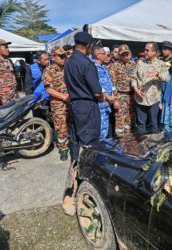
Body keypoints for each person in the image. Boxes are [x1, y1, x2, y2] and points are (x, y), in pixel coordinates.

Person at [63, 32, 103, 216]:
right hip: (87, 107)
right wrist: (103, 96)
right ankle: (79, 190)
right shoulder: (86, 63)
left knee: (76, 146)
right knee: (89, 148)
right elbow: (96, 92)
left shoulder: (69, 61)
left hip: (74, 106)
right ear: (87, 47)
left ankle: (72, 185)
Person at [131, 42, 170, 133]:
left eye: (147, 50)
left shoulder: (161, 64)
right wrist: (136, 90)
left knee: (153, 124)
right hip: (140, 99)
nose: (145, 52)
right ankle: (142, 145)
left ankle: (154, 146)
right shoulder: (140, 63)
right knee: (140, 124)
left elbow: (167, 78)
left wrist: (157, 74)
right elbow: (133, 78)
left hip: (153, 100)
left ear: (154, 52)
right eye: (145, 50)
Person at [42, 47, 69, 161]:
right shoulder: (49, 70)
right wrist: (64, 97)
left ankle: (72, 143)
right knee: (61, 127)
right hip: (58, 104)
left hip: (71, 102)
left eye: (65, 56)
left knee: (72, 125)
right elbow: (49, 90)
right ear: (53, 57)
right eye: (61, 56)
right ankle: (63, 148)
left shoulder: (68, 68)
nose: (64, 58)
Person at [109, 44, 136, 137]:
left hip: (131, 96)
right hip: (120, 95)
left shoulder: (133, 64)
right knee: (120, 119)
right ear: (119, 55)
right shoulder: (114, 66)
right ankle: (119, 142)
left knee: (130, 118)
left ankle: (128, 141)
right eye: (123, 54)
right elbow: (112, 84)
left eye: (127, 54)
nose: (125, 56)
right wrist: (115, 100)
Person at [91, 45, 114, 140]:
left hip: (107, 103)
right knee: (101, 128)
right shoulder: (93, 68)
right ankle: (99, 151)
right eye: (104, 53)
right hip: (100, 103)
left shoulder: (103, 67)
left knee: (106, 127)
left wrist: (112, 95)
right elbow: (97, 85)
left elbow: (109, 82)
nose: (106, 55)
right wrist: (107, 97)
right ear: (97, 55)